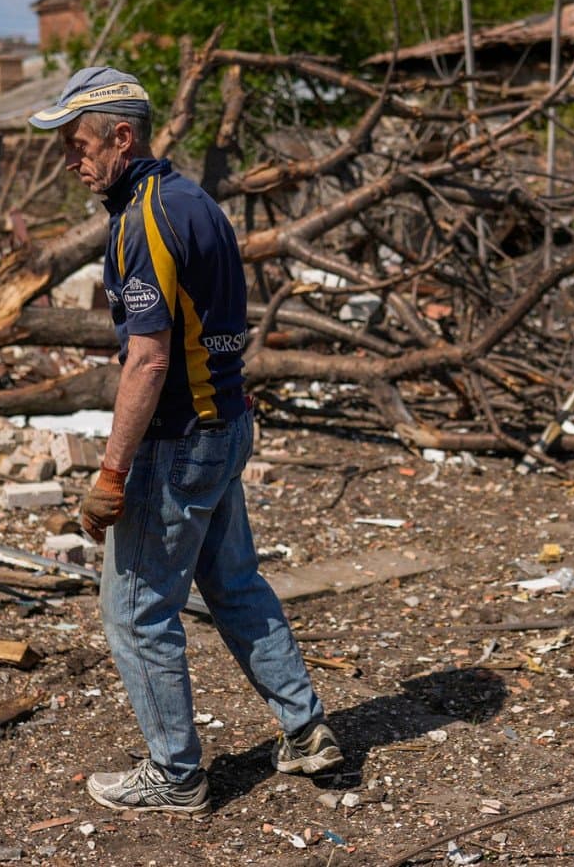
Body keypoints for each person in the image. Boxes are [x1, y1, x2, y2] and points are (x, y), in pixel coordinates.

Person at [30, 67, 341, 816]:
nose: (71, 161)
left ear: (122, 137)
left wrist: (111, 474)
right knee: (234, 584)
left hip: (179, 439)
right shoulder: (193, 200)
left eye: (78, 145)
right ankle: (306, 731)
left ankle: (175, 775)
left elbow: (148, 359)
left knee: (135, 612)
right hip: (226, 423)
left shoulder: (144, 219)